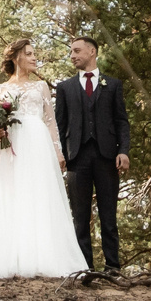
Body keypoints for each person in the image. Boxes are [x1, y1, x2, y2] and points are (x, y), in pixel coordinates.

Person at [0, 37, 90, 280]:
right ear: (17, 58)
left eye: (34, 53)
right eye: (29, 53)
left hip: (37, 144)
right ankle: (9, 257)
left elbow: (50, 121)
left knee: (38, 196)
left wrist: (58, 151)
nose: (35, 57)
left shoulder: (41, 87)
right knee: (9, 196)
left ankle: (42, 257)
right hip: (11, 147)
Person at [54, 35, 130, 274]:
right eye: (71, 52)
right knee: (80, 215)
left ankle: (112, 266)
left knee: (109, 214)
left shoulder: (113, 85)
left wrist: (124, 151)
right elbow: (59, 124)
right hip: (77, 158)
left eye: (77, 51)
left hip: (107, 157)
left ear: (92, 52)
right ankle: (84, 267)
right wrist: (62, 154)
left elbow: (121, 122)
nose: (72, 56)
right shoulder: (65, 87)